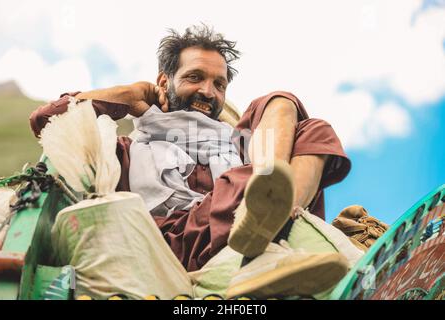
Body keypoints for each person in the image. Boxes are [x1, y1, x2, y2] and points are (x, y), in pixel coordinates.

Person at [29, 25, 352, 298]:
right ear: (164, 82)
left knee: (294, 112)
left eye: (219, 84)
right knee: (245, 177)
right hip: (179, 243)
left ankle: (274, 218)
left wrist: (263, 168)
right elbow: (48, 121)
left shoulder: (239, 147)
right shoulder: (125, 151)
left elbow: (283, 137)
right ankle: (261, 237)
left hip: (251, 209)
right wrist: (130, 94)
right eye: (195, 77)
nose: (208, 92)